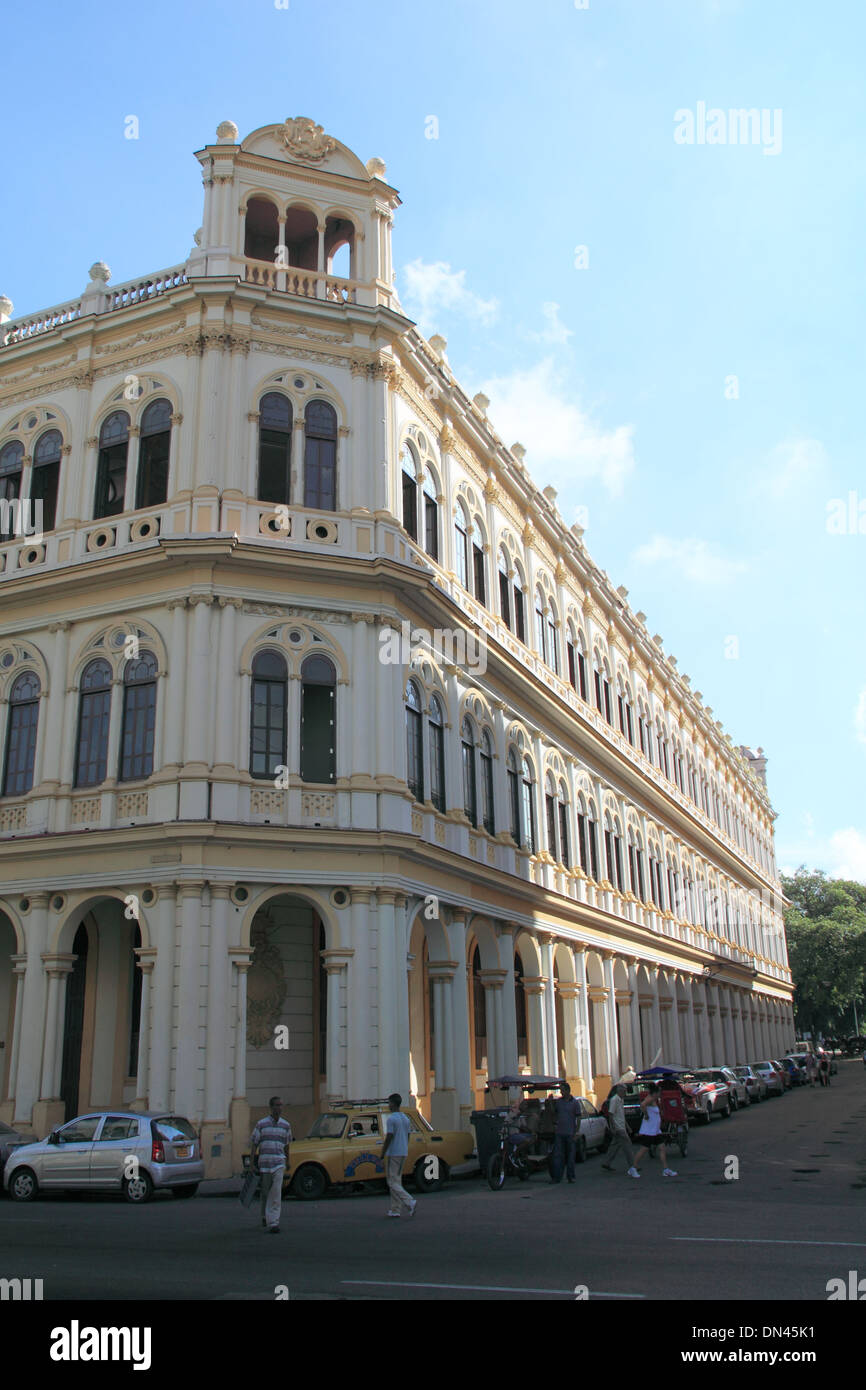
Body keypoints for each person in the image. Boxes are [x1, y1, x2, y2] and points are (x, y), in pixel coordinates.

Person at [250, 1095, 292, 1234]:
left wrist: (288, 1161)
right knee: (265, 1192)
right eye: (277, 1105)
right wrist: (252, 1163)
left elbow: (287, 1145)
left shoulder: (286, 1125)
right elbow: (254, 1143)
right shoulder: (261, 1124)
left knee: (276, 1192)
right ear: (271, 1107)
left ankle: (274, 1222)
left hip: (278, 1162)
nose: (279, 1108)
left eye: (281, 1105)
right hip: (265, 1163)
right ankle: (264, 1216)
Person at [380, 1092, 416, 1218]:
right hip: (402, 1152)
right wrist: (404, 1146)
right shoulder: (405, 1118)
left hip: (393, 1152)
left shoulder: (391, 1119)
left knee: (391, 1181)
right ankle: (395, 1209)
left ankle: (409, 1200)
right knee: (397, 1180)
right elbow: (408, 1135)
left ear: (393, 1104)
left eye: (389, 1103)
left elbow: (389, 1137)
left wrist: (382, 1153)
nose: (388, 1105)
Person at [632, 1082, 677, 1177]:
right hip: (649, 1130)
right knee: (644, 1149)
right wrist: (646, 1115)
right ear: (655, 1093)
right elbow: (642, 1105)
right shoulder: (650, 1099)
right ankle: (633, 1167)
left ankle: (666, 1169)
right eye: (659, 1093)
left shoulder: (654, 1100)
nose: (660, 1094)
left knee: (662, 1148)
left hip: (655, 1130)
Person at [601, 1081, 639, 1178]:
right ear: (620, 1091)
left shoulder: (620, 1100)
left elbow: (621, 1115)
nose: (626, 1093)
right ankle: (633, 1165)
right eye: (625, 1091)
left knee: (615, 1145)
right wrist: (613, 1127)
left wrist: (628, 1127)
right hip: (618, 1128)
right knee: (628, 1145)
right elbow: (611, 1114)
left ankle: (607, 1162)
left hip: (621, 1126)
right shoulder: (615, 1100)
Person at [550, 1082, 582, 1184]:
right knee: (558, 1156)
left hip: (570, 1133)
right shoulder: (559, 1102)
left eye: (562, 1090)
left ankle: (570, 1176)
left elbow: (578, 1117)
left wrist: (576, 1131)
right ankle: (557, 1177)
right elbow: (553, 1113)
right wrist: (550, 1102)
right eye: (560, 1090)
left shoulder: (575, 1103)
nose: (561, 1092)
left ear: (568, 1090)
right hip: (560, 1133)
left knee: (571, 1156)